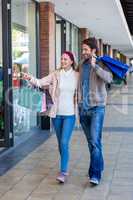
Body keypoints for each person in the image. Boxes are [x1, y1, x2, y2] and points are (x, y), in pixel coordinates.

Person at [22, 51, 79, 184]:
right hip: (56, 114)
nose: (63, 61)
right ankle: (64, 165)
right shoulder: (55, 74)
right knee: (60, 144)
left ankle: (63, 171)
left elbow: (82, 90)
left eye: (65, 59)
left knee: (64, 142)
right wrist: (29, 78)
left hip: (70, 115)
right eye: (61, 59)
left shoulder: (77, 76)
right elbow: (40, 82)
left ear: (71, 61)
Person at [78, 38, 113, 185]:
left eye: (86, 49)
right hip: (83, 108)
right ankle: (99, 164)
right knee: (92, 141)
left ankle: (95, 174)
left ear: (93, 50)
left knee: (94, 141)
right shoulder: (81, 64)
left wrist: (95, 66)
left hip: (98, 107)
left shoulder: (101, 63)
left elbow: (109, 78)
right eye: (83, 49)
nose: (83, 52)